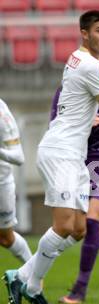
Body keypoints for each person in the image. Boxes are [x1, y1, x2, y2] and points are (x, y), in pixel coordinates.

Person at [3, 10, 99, 304]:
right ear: (84, 33)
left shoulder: (77, 60)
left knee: (81, 229)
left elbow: (82, 94)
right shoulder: (92, 65)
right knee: (63, 226)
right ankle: (31, 287)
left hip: (71, 154)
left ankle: (21, 275)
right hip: (61, 152)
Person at [43, 88, 99, 304]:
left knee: (91, 219)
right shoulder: (64, 92)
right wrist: (80, 123)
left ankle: (79, 290)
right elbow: (55, 124)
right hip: (77, 162)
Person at [0, 99, 32, 264]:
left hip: (1, 182)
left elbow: (18, 157)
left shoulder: (2, 112)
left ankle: (33, 273)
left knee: (5, 238)